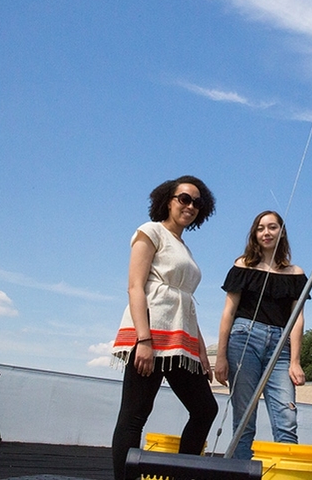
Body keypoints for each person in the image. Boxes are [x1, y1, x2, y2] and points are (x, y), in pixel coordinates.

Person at [110, 175, 218, 480]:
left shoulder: (184, 247)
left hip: (181, 342)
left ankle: (183, 474)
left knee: (205, 409)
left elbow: (186, 302)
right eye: (184, 198)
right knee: (134, 416)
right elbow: (134, 287)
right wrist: (143, 340)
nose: (190, 206)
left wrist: (201, 350)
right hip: (151, 335)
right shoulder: (151, 231)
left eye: (197, 202)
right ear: (167, 201)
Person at [214, 210, 308, 460]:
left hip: (281, 345)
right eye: (261, 228)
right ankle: (238, 473)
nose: (266, 232)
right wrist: (220, 357)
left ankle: (287, 472)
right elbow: (228, 312)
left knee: (286, 416)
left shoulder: (296, 273)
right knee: (244, 417)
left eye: (272, 227)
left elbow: (297, 318)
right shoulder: (242, 265)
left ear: (281, 232)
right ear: (254, 234)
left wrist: (295, 361)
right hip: (244, 338)